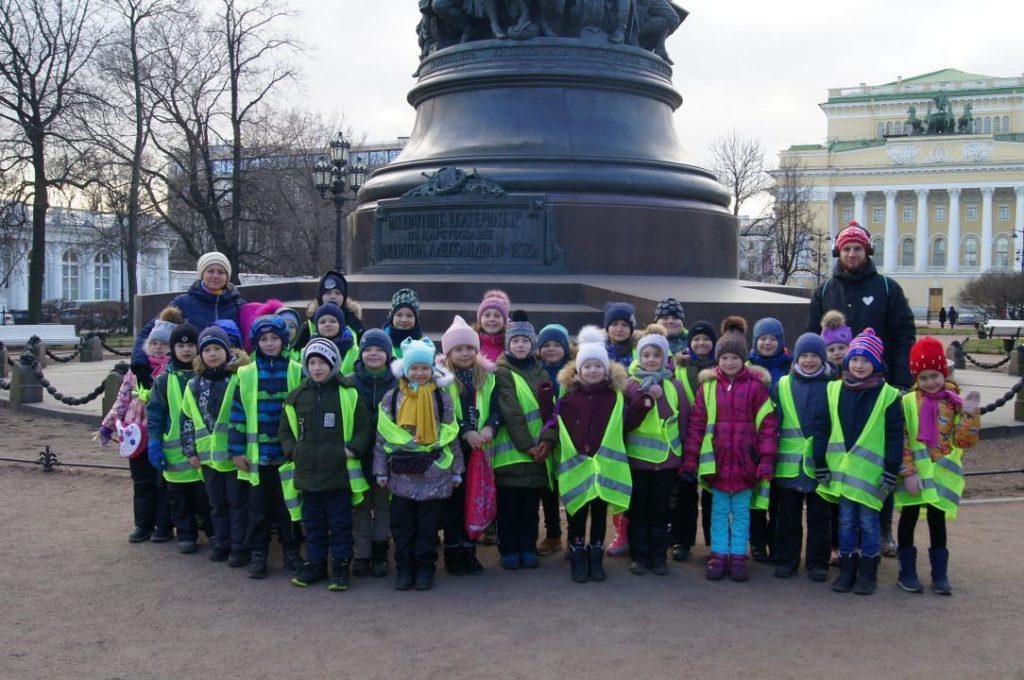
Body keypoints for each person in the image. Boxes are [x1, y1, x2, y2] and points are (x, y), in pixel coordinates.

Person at [538, 326, 652, 583]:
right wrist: (546, 416)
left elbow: (624, 424)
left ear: (606, 370)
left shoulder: (616, 397)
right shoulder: (567, 398)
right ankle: (578, 557)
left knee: (599, 515)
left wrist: (643, 407)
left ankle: (596, 558)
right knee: (577, 513)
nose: (592, 370)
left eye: (597, 366)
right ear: (578, 370)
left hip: (603, 468)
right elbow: (553, 423)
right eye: (587, 366)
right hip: (577, 467)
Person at [681, 317, 778, 582]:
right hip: (718, 463)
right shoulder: (707, 388)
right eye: (724, 358)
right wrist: (691, 461)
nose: (729, 362)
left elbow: (767, 427)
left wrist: (766, 460)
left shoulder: (757, 388)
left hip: (747, 463)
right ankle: (719, 554)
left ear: (743, 359)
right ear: (717, 359)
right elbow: (696, 427)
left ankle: (738, 556)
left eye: (735, 357)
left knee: (743, 513)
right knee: (719, 512)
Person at [814, 328, 904, 596]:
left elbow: (895, 436)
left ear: (875, 363)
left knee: (868, 523)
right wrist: (819, 460)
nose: (859, 365)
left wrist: (891, 469)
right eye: (854, 359)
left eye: (866, 360)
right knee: (845, 523)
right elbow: (821, 427)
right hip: (841, 474)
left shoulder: (888, 395)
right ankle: (847, 570)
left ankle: (868, 572)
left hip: (871, 475)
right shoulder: (833, 389)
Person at [280, 338, 374, 591]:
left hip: (339, 477)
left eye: (323, 362)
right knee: (313, 525)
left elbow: (364, 428)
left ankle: (341, 567)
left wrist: (353, 448)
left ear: (333, 364)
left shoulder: (348, 392)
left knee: (341, 524)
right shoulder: (297, 396)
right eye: (312, 362)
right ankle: (316, 564)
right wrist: (293, 451)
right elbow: (285, 431)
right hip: (307, 477)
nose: (317, 368)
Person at [374, 337, 462, 591]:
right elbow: (382, 437)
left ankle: (425, 568)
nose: (420, 373)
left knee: (428, 527)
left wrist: (456, 470)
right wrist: (380, 471)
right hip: (402, 475)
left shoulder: (442, 399)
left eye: (425, 368)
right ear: (405, 369)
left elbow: (451, 435)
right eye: (415, 368)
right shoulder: (391, 399)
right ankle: (404, 568)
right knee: (402, 526)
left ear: (431, 370)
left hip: (434, 474)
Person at [895, 337, 980, 595]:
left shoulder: (954, 403)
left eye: (934, 375)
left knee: (937, 521)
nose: (930, 382)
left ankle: (939, 574)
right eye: (923, 378)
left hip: (940, 475)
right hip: (914, 475)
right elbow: (903, 439)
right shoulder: (908, 402)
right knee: (908, 519)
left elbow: (964, 441)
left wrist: (969, 413)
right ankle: (907, 572)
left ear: (943, 372)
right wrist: (907, 471)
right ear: (916, 378)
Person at [230, 315, 305, 580]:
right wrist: (236, 450)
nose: (270, 344)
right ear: (256, 343)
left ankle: (291, 552)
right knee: (258, 509)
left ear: (283, 340)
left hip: (288, 455)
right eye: (264, 339)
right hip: (258, 457)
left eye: (275, 338)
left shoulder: (296, 369)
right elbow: (237, 414)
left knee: (289, 508)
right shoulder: (246, 373)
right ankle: (259, 553)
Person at [99, 307, 180, 544]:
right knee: (141, 482)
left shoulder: (172, 371)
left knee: (162, 483)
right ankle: (143, 524)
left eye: (163, 344)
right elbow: (122, 399)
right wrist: (107, 425)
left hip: (161, 435)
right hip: (134, 436)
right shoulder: (135, 371)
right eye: (154, 342)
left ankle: (164, 526)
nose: (158, 347)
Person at [805, 221, 916, 389]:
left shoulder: (888, 288)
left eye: (857, 248)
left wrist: (901, 383)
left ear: (867, 251)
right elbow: (812, 336)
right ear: (838, 252)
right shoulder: (824, 290)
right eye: (846, 249)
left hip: (879, 383)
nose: (851, 254)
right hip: (835, 384)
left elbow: (903, 338)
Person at [181, 326, 251, 568]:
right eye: (207, 350)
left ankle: (239, 545)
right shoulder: (194, 385)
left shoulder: (238, 378)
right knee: (217, 503)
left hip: (232, 456)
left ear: (227, 351)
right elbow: (187, 418)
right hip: (207, 456)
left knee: (237, 502)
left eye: (217, 348)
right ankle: (221, 542)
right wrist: (190, 450)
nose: (212, 354)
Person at [624, 325, 688, 576]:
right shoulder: (630, 386)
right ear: (639, 357)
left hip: (667, 462)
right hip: (638, 461)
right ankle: (639, 556)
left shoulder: (676, 387)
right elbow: (625, 422)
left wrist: (683, 456)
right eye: (646, 355)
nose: (651, 360)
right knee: (638, 510)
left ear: (665, 358)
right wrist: (644, 399)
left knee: (661, 510)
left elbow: (684, 421)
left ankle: (658, 556)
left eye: (656, 355)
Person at [492, 311, 554, 570]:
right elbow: (511, 411)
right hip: (513, 454)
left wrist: (548, 441)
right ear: (508, 344)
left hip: (538, 454)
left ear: (533, 345)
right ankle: (508, 549)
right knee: (508, 508)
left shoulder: (542, 373)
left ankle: (527, 547)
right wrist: (528, 446)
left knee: (530, 508)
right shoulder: (502, 372)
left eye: (525, 341)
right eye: (515, 341)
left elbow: (552, 412)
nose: (520, 345)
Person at [440, 315, 501, 575]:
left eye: (469, 348)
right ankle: (454, 552)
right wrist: (466, 432)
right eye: (458, 349)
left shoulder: (488, 377)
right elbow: (442, 413)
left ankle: (470, 550)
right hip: (454, 451)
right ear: (449, 353)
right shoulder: (441, 380)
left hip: (480, 451)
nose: (464, 353)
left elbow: (497, 408)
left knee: (473, 500)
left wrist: (491, 427)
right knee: (454, 504)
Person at [131, 252, 245, 390]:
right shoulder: (183, 303)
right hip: (190, 377)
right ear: (202, 274)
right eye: (210, 271)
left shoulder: (238, 304)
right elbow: (149, 332)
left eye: (221, 272)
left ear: (227, 276)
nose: (215, 276)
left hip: (229, 377)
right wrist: (139, 362)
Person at [771, 332, 833, 582]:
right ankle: (787, 559)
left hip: (820, 464)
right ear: (796, 357)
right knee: (787, 517)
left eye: (814, 356)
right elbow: (772, 422)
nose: (808, 361)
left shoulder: (832, 386)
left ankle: (818, 562)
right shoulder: (783, 384)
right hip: (788, 464)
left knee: (820, 517)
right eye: (804, 355)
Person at [146, 323, 212, 555]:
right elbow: (155, 413)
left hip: (204, 451)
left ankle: (213, 532)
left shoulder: (207, 375)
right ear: (173, 349)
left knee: (206, 497)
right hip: (175, 453)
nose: (186, 350)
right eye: (180, 345)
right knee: (179, 499)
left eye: (191, 345)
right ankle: (186, 533)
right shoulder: (164, 380)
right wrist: (154, 441)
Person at [349, 329, 399, 578]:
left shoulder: (398, 383)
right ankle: (361, 553)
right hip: (357, 455)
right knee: (359, 505)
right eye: (368, 349)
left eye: (379, 350)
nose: (373, 354)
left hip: (387, 456)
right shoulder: (349, 381)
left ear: (388, 355)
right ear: (361, 354)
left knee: (382, 505)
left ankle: (380, 552)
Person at [669, 319, 717, 562]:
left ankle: (713, 542)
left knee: (711, 494)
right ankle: (682, 540)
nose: (701, 343)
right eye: (696, 339)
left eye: (706, 339)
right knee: (684, 495)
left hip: (715, 443)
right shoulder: (678, 369)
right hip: (685, 440)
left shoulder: (723, 368)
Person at [746, 316, 792, 563]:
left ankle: (775, 541)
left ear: (780, 341)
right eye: (762, 338)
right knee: (756, 495)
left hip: (783, 441)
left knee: (778, 498)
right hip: (755, 441)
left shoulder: (791, 367)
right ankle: (757, 542)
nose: (767, 343)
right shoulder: (747, 367)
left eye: (772, 338)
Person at [603, 301, 639, 557]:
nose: (618, 329)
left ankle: (636, 532)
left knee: (636, 483)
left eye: (624, 324)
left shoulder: (642, 351)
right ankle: (621, 533)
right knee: (614, 480)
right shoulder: (597, 353)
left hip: (636, 426)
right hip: (607, 428)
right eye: (614, 324)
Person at [535, 323, 571, 555]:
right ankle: (553, 535)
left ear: (566, 348)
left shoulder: (576, 371)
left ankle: (574, 537)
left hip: (570, 442)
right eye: (546, 345)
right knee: (548, 491)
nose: (551, 349)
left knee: (570, 491)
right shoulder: (536, 372)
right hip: (543, 438)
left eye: (557, 345)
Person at [293, 270, 365, 351]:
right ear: (321, 296)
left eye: (337, 293)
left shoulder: (354, 322)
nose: (333, 297)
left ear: (344, 297)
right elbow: (297, 353)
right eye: (328, 293)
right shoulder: (310, 324)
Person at [311, 302, 359, 375]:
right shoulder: (309, 349)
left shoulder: (354, 351)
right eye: (322, 322)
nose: (327, 324)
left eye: (333, 321)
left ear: (341, 324)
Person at [383, 288, 424, 358]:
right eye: (399, 315)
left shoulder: (423, 345)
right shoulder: (382, 343)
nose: (404, 320)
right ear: (392, 317)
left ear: (415, 319)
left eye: (409, 315)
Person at [475, 289, 511, 362]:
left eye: (497, 316)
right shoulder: (472, 343)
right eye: (487, 315)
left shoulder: (510, 345)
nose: (492, 319)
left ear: (504, 321)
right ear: (480, 319)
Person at [820, 310, 853, 375]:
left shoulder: (856, 372)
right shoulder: (822, 374)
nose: (837, 353)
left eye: (841, 348)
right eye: (831, 350)